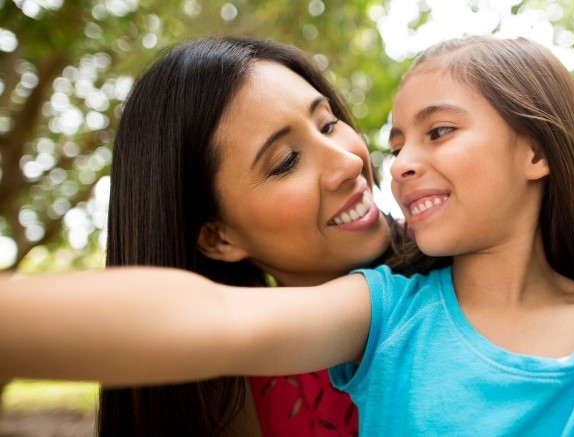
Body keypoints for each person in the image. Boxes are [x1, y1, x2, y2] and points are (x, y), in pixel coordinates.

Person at [3, 36, 574, 435]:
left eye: (438, 132)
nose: (374, 162)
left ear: (536, 150)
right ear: (215, 236)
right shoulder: (381, 318)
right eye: (396, 143)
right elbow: (206, 321)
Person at [82, 37, 438, 436]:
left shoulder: (473, 265)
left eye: (328, 124)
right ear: (217, 238)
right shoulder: (230, 399)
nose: (349, 161)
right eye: (286, 162)